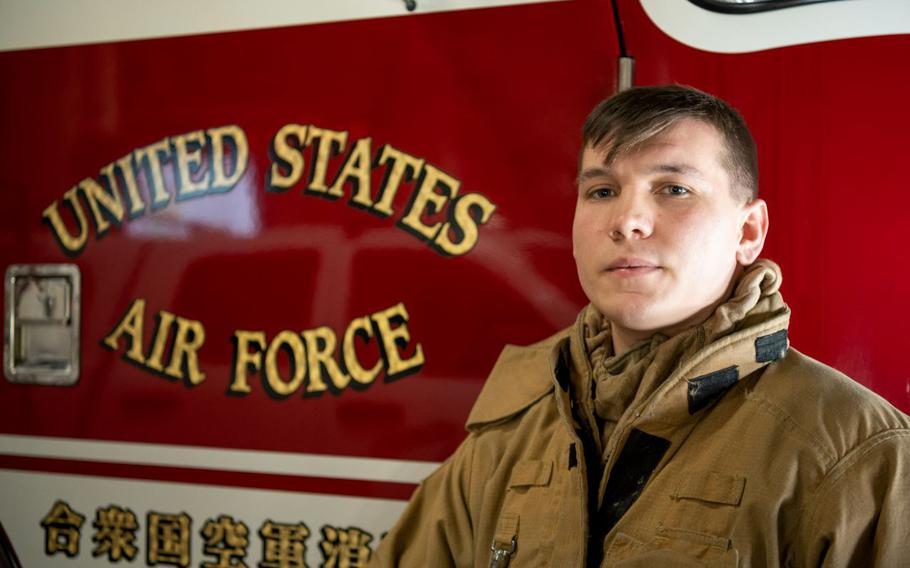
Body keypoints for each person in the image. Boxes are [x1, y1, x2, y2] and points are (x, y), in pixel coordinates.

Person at [369, 85, 910, 567]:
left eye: (673, 189)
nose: (626, 221)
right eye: (601, 191)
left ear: (748, 230)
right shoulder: (521, 422)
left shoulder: (855, 452)